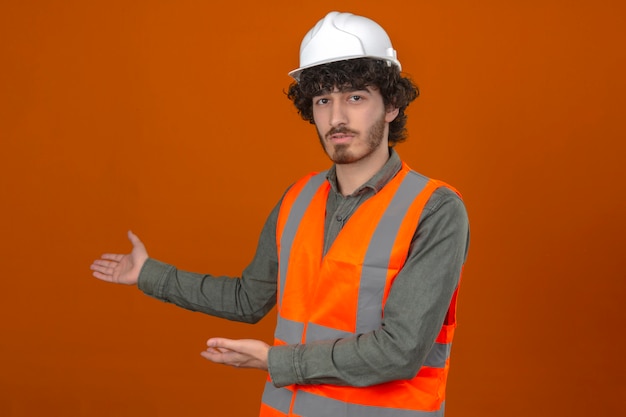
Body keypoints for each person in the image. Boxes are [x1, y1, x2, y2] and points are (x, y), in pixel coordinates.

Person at [91, 11, 469, 417]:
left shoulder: (435, 209)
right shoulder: (298, 198)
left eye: (355, 97)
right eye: (323, 100)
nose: (336, 117)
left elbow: (400, 351)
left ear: (391, 105)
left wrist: (276, 362)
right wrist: (148, 272)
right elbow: (247, 299)